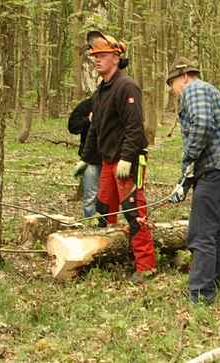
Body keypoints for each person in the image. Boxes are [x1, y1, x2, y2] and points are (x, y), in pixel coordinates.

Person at [167, 57, 220, 305]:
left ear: (182, 77)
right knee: (212, 231)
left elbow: (202, 126)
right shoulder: (208, 91)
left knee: (201, 232)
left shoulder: (195, 89)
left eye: (171, 85)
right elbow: (206, 134)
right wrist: (185, 181)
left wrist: (187, 159)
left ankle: (200, 294)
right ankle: (209, 286)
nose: (172, 92)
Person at [82, 30, 156, 282]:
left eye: (102, 55)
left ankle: (146, 266)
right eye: (95, 56)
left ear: (116, 57)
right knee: (103, 211)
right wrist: (85, 157)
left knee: (134, 212)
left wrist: (127, 157)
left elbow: (135, 127)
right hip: (107, 161)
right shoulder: (100, 90)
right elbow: (95, 127)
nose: (97, 60)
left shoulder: (126, 86)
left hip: (129, 161)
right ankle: (105, 257)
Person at [68, 96, 102, 218]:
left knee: (107, 196)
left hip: (111, 156)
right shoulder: (86, 105)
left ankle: (105, 224)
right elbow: (72, 127)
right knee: (90, 195)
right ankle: (90, 222)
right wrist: (88, 120)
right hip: (90, 157)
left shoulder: (116, 103)